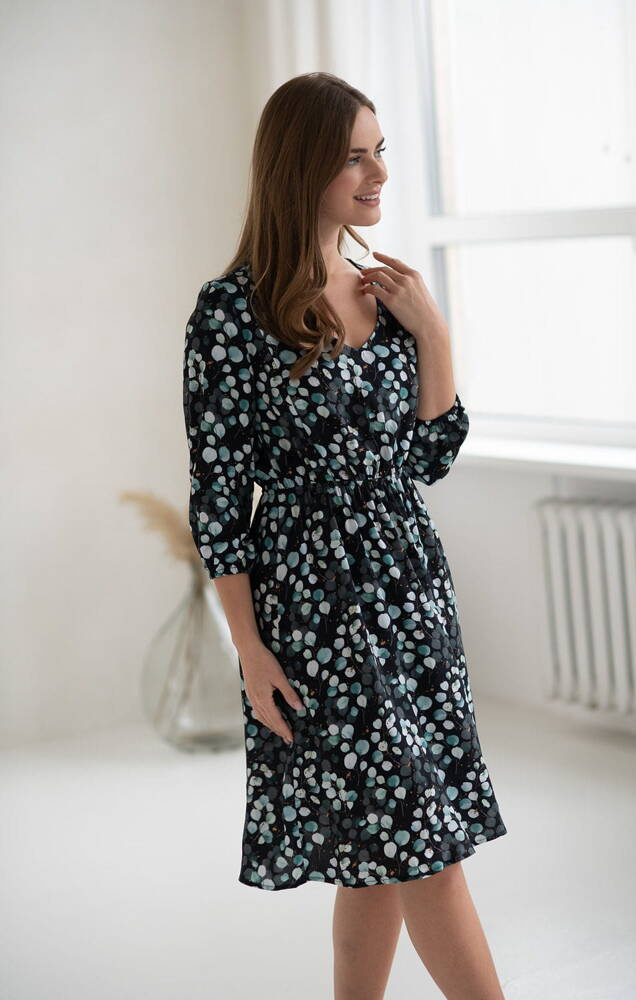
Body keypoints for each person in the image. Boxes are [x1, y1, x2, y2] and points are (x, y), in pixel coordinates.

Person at [183, 71, 508, 1000]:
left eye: (380, 152)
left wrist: (431, 332)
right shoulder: (232, 312)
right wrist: (248, 649)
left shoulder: (386, 292)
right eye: (354, 158)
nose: (379, 175)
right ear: (301, 168)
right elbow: (218, 501)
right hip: (317, 613)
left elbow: (428, 456)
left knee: (377, 857)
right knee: (424, 848)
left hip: (413, 598)